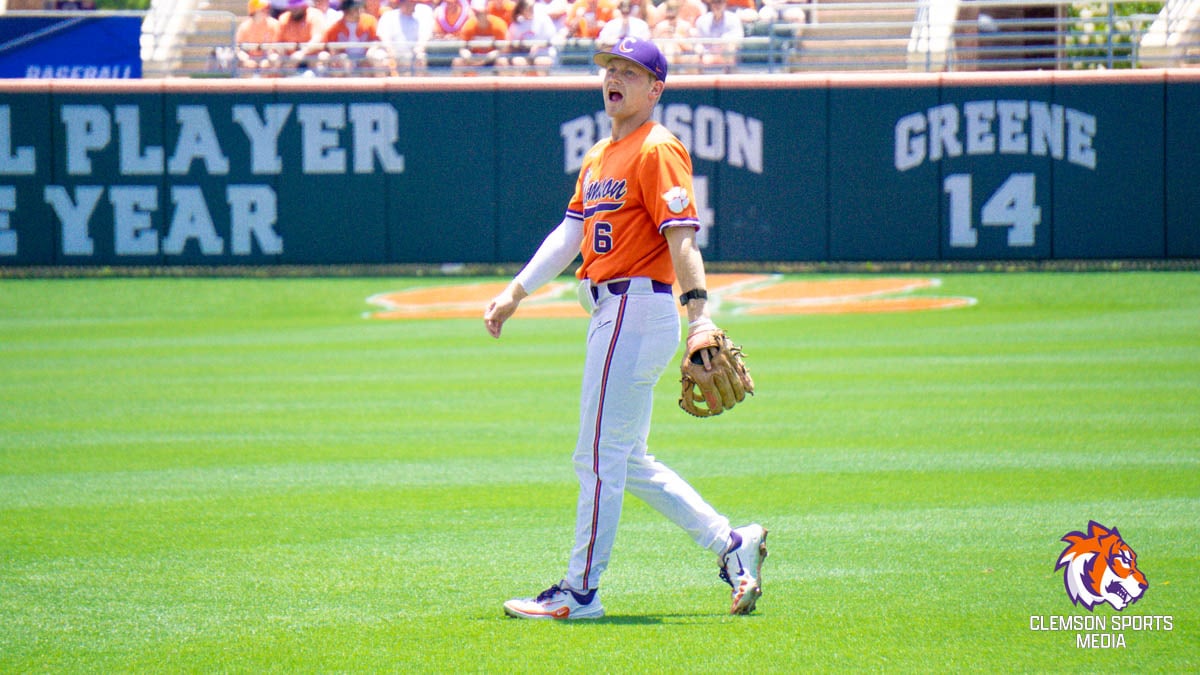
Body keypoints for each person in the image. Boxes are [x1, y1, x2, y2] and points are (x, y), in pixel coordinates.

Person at [484, 37, 767, 621]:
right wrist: (516, 292)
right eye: (609, 69)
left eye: (629, 71)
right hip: (612, 311)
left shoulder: (657, 148)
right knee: (626, 458)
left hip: (636, 307)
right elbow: (570, 234)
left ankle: (580, 591)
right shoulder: (600, 155)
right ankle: (731, 544)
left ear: (655, 88)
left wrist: (701, 317)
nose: (614, 78)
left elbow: (681, 235)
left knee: (595, 455)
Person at [319, 0, 386, 74]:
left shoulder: (369, 21)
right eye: (355, 9)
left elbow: (377, 40)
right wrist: (336, 54)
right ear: (346, 11)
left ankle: (379, 84)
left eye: (359, 8)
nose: (358, 11)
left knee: (378, 56)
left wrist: (372, 50)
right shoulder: (336, 27)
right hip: (347, 59)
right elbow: (328, 45)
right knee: (342, 59)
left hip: (366, 57)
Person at [496, 0, 558, 74]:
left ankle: (543, 85)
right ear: (522, 10)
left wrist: (538, 46)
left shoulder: (543, 19)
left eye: (532, 7)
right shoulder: (517, 23)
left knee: (541, 62)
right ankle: (520, 85)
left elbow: (550, 38)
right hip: (524, 54)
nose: (531, 10)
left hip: (543, 53)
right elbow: (512, 43)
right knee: (518, 62)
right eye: (529, 8)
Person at [451, 0, 509, 74]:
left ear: (487, 11)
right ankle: (459, 85)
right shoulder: (469, 25)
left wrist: (490, 56)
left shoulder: (498, 25)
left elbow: (504, 49)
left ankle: (503, 85)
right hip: (473, 59)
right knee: (458, 62)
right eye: (475, 13)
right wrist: (468, 56)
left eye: (480, 13)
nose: (478, 15)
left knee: (502, 61)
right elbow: (463, 48)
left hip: (492, 60)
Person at [378, 0, 435, 73]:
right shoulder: (389, 17)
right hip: (393, 54)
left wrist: (418, 49)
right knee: (380, 58)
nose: (414, 5)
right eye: (411, 2)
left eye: (414, 3)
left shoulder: (419, 19)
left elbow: (424, 39)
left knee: (420, 58)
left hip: (412, 55)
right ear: (403, 3)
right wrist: (390, 51)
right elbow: (384, 37)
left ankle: (416, 84)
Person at [276, 0, 327, 74]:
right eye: (292, 7)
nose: (294, 9)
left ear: (304, 6)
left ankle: (320, 84)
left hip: (312, 56)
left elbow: (317, 39)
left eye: (297, 7)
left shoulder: (315, 15)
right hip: (290, 59)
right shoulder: (284, 18)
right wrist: (284, 56)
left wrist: (302, 53)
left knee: (323, 57)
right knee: (274, 59)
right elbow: (279, 42)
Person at [693, 0, 743, 71]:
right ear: (710, 4)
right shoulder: (702, 20)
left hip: (726, 56)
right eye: (714, 2)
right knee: (693, 56)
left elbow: (738, 40)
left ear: (725, 4)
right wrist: (701, 51)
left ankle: (730, 79)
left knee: (729, 47)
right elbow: (697, 42)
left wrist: (723, 43)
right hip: (706, 56)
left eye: (720, 2)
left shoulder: (733, 19)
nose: (717, 5)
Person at [235, 0, 282, 74]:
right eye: (262, 9)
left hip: (268, 58)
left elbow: (278, 48)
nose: (266, 11)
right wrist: (246, 59)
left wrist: (268, 59)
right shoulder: (244, 26)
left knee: (273, 60)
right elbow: (238, 49)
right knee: (245, 65)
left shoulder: (274, 24)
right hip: (250, 59)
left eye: (267, 8)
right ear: (254, 11)